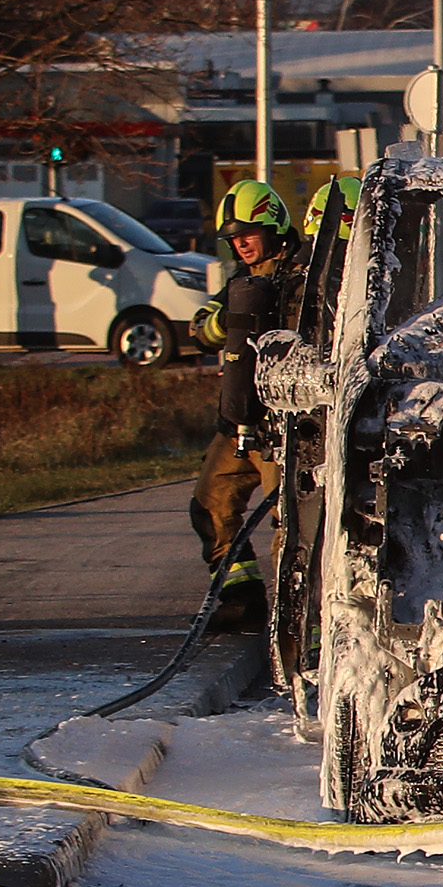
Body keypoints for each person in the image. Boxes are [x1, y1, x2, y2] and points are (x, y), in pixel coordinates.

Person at [187, 177, 295, 626]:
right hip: (238, 418)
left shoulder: (303, 278)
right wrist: (232, 317)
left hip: (281, 423)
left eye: (247, 234)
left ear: (273, 229)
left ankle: (297, 619)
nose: (241, 244)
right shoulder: (240, 281)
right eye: (233, 238)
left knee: (288, 520)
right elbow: (198, 328)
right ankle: (242, 598)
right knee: (210, 504)